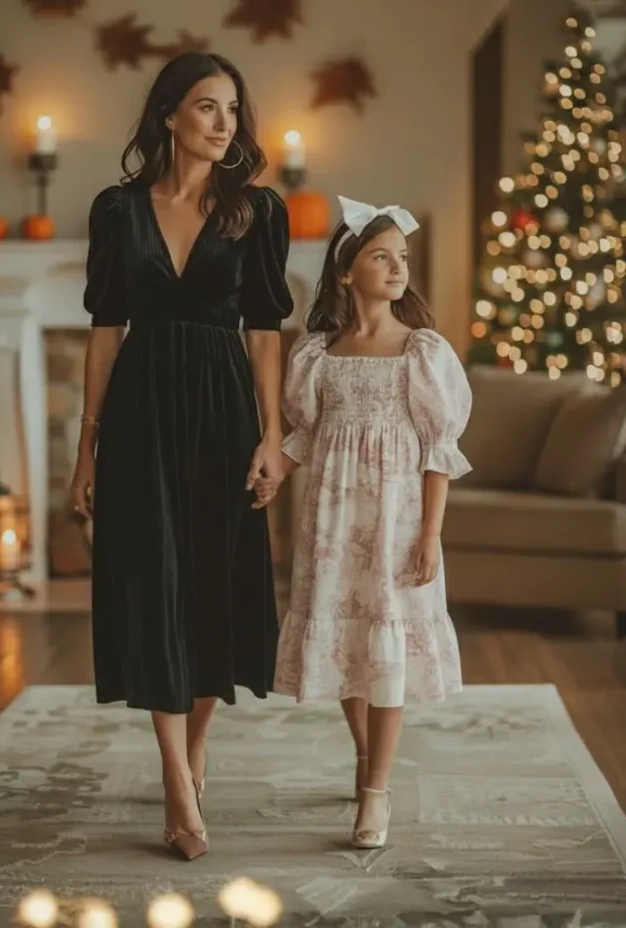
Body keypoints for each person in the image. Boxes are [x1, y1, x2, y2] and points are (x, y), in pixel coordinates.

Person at [70, 52, 293, 861]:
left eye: (232, 108)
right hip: (140, 412)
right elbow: (104, 331)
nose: (223, 122)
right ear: (169, 114)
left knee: (212, 580)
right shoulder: (117, 210)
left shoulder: (259, 211)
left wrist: (272, 437)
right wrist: (86, 445)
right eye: (206, 106)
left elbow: (266, 334)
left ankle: (197, 747)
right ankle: (175, 777)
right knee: (151, 579)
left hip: (225, 410)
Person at [261, 195, 471, 849]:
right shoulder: (317, 354)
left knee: (386, 653)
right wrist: (270, 473)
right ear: (346, 270)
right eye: (380, 256)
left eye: (401, 257)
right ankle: (361, 757)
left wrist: (430, 533)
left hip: (396, 526)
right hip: (330, 526)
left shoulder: (421, 352)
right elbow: (304, 435)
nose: (396, 267)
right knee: (348, 649)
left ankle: (375, 795)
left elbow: (438, 451)